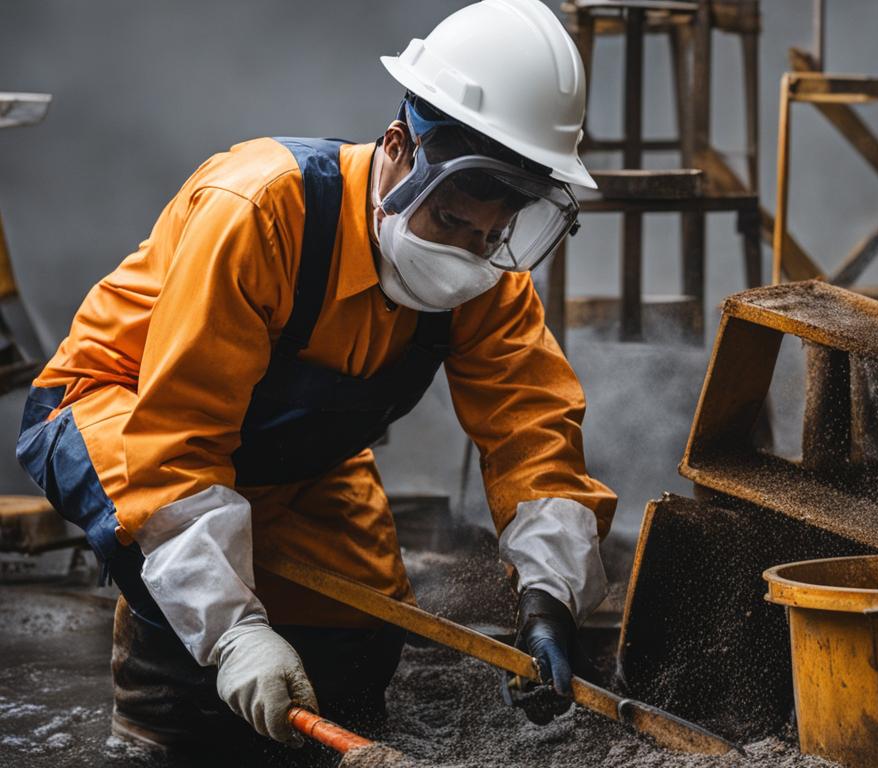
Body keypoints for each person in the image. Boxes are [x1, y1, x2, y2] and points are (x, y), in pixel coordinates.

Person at [15, 0, 615, 755]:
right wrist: (234, 635)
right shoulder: (261, 212)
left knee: (355, 631)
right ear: (399, 148)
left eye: (493, 234)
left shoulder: (483, 276)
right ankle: (158, 726)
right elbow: (177, 445)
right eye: (451, 223)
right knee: (180, 594)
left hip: (282, 460)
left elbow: (532, 429)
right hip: (124, 413)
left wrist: (550, 594)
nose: (470, 251)